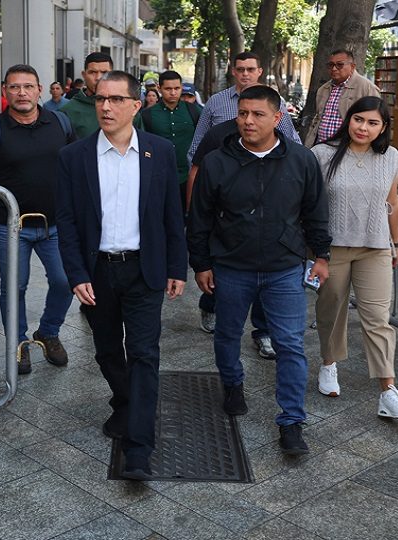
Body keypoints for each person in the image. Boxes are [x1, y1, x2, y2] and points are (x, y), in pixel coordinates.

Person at [56, 71, 187, 480]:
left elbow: (172, 214)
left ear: (136, 104)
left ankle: (138, 448)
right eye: (99, 99)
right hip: (97, 273)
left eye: (115, 100)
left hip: (144, 269)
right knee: (108, 350)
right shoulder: (74, 157)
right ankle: (127, 402)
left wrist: (175, 267)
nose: (106, 107)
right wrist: (76, 273)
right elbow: (67, 221)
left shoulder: (159, 151)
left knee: (145, 354)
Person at [188, 85, 331, 455]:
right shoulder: (218, 161)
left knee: (290, 345)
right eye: (243, 114)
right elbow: (199, 217)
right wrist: (201, 263)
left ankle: (292, 421)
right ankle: (233, 384)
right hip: (232, 266)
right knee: (227, 335)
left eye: (257, 114)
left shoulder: (301, 160)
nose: (248, 121)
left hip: (284, 268)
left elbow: (316, 211)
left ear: (277, 118)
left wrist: (323, 255)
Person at [0, 64, 75, 374]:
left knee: (66, 281)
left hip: (55, 225)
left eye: (28, 86)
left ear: (40, 90)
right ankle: (18, 343)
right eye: (14, 87)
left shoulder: (61, 123)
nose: (22, 92)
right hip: (10, 227)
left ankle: (48, 332)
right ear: (4, 92)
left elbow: (74, 170)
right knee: (15, 286)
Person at [310, 96, 398, 420]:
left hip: (376, 247)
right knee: (331, 310)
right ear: (348, 119)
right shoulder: (322, 154)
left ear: (383, 127)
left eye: (373, 123)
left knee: (378, 318)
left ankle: (388, 390)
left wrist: (395, 243)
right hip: (334, 248)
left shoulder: (391, 156)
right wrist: (315, 250)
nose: (364, 128)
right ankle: (329, 364)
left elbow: (392, 201)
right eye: (360, 120)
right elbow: (311, 204)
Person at [185, 51, 299, 352]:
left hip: (265, 196)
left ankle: (262, 331)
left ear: (259, 71)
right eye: (240, 69)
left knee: (265, 264)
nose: (246, 74)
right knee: (219, 265)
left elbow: (293, 147)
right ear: (232, 71)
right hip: (223, 198)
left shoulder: (275, 105)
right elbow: (197, 152)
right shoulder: (215, 103)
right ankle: (211, 305)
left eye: (251, 69)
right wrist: (195, 202)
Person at [140, 70, 201, 212]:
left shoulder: (194, 111)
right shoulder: (147, 115)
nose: (173, 92)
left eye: (177, 88)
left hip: (189, 177)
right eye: (168, 89)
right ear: (159, 89)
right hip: (158, 176)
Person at [304, 49, 380, 148]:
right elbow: (317, 119)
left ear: (352, 67)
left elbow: (375, 121)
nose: (334, 69)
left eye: (339, 65)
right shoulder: (323, 89)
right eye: (330, 65)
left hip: (347, 149)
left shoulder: (367, 88)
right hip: (320, 147)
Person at [61, 53, 142, 139]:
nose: (98, 77)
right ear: (84, 75)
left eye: (104, 72)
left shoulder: (128, 108)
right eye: (92, 72)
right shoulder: (68, 111)